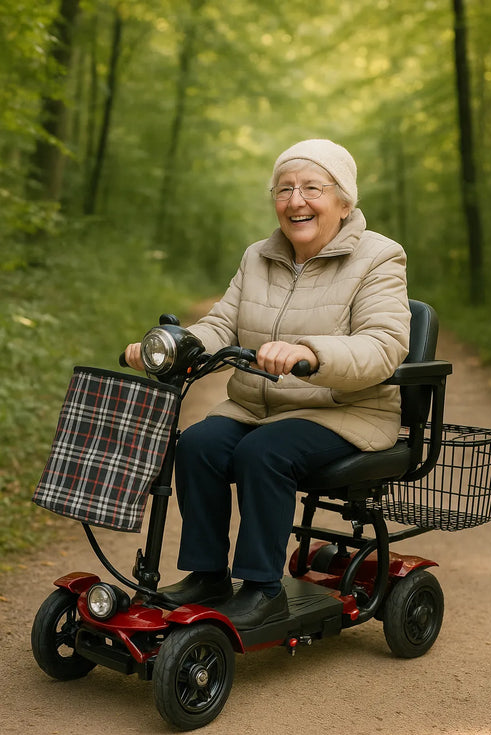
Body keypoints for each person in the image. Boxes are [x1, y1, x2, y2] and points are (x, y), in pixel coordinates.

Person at [125, 138, 410, 630]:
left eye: (312, 188)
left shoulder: (379, 258)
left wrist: (310, 353)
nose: (296, 200)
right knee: (199, 443)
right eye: (284, 189)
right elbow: (221, 326)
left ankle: (262, 588)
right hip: (259, 408)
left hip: (345, 410)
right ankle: (208, 575)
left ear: (344, 202)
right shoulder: (258, 256)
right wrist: (171, 345)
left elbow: (383, 345)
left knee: (263, 452)